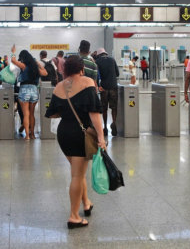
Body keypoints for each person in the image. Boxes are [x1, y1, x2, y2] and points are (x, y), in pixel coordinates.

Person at [45, 55, 106, 229]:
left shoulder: (59, 86)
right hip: (81, 133)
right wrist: (101, 137)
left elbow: (52, 113)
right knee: (77, 175)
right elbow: (94, 113)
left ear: (65, 70)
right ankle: (73, 216)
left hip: (64, 133)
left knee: (77, 171)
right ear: (81, 69)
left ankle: (86, 203)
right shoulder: (87, 82)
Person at [11, 45, 47, 140]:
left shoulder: (24, 66)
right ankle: (33, 135)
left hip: (24, 89)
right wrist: (37, 63)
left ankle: (27, 136)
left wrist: (13, 52)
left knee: (26, 114)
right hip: (34, 90)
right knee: (32, 114)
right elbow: (45, 73)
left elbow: (13, 61)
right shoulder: (36, 69)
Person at [95, 48, 120, 136]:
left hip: (104, 87)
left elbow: (96, 75)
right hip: (113, 86)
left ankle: (105, 127)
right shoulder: (112, 60)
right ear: (105, 53)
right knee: (114, 107)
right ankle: (114, 122)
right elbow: (117, 73)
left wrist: (98, 86)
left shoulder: (97, 61)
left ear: (99, 55)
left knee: (104, 108)